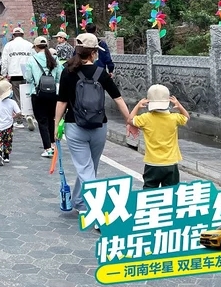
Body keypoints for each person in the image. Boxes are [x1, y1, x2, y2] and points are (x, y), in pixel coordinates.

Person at [53, 33, 138, 218]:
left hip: (74, 126)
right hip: (99, 127)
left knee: (85, 169)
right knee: (89, 168)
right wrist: (130, 121)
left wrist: (56, 125)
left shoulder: (68, 72)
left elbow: (62, 101)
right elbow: (118, 99)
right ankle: (85, 204)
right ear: (93, 53)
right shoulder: (101, 73)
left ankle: (90, 208)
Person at [127, 85, 190, 189]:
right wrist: (179, 105)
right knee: (171, 191)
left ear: (149, 102)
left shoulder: (145, 118)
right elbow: (186, 117)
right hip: (170, 163)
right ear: (168, 101)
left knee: (149, 190)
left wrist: (138, 106)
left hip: (152, 164)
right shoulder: (174, 118)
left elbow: (130, 120)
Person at [25, 36, 63, 158]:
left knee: (42, 121)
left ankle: (47, 148)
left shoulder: (31, 60)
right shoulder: (54, 58)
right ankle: (53, 144)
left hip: (38, 93)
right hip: (53, 93)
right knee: (51, 119)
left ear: (36, 47)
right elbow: (59, 76)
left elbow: (28, 77)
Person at [0, 27, 34, 129]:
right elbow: (33, 60)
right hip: (27, 74)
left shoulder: (9, 45)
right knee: (27, 95)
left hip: (14, 74)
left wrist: (4, 73)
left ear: (13, 35)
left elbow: (4, 61)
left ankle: (19, 120)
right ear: (23, 35)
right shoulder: (29, 45)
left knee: (17, 97)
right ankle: (29, 115)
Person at [0, 80, 21, 166]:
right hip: (9, 126)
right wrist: (14, 116)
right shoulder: (12, 102)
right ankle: (6, 156)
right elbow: (19, 112)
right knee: (8, 141)